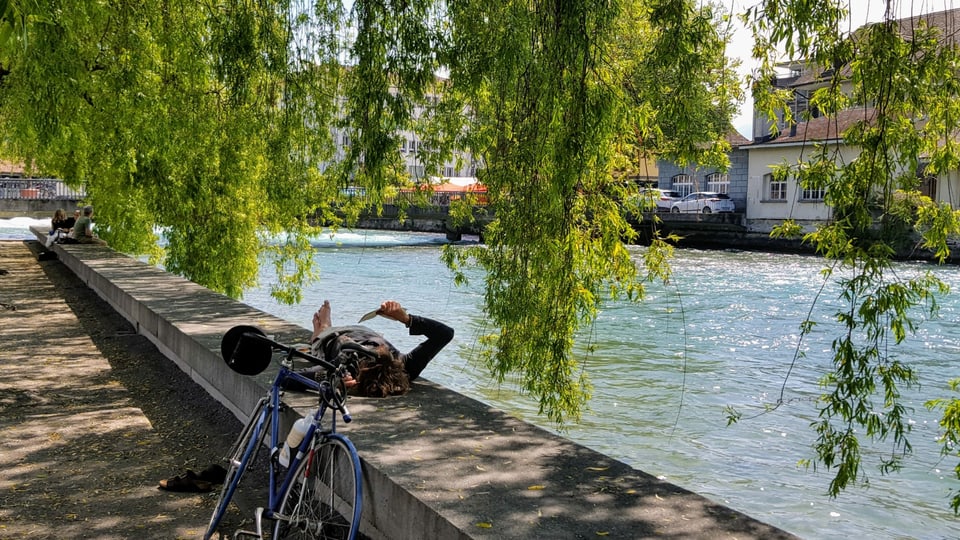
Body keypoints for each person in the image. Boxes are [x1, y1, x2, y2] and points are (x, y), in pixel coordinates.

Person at [295, 300, 454, 397]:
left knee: (324, 338)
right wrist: (405, 318)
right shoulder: (404, 365)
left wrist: (330, 378)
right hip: (365, 332)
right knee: (355, 341)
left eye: (368, 352)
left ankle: (321, 331)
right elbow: (445, 334)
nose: (375, 348)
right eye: (379, 349)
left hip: (331, 339)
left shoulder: (346, 364)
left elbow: (290, 377)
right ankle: (323, 330)